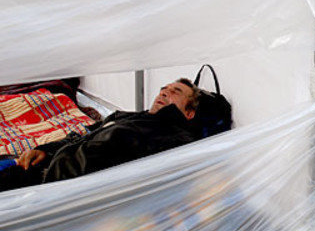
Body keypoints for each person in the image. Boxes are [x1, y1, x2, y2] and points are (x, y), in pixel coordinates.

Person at [0, 78, 203, 192]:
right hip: (47, 167)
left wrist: (45, 173)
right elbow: (83, 134)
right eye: (163, 89)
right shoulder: (127, 117)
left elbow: (95, 161)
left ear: (189, 113)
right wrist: (45, 150)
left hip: (50, 185)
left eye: (175, 91)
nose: (163, 93)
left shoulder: (170, 138)